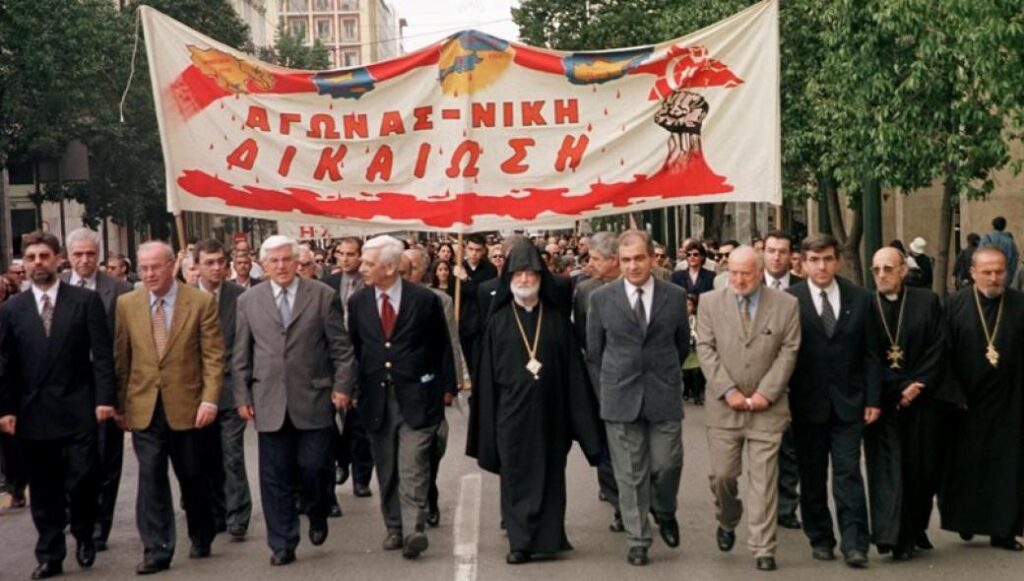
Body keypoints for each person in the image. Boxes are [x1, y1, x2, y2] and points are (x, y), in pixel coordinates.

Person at [469, 243, 604, 565]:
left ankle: (549, 538)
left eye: (531, 273)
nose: (526, 279)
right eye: (519, 273)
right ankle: (520, 542)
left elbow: (574, 374)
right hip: (510, 417)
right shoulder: (498, 322)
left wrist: (586, 425)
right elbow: (486, 381)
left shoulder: (557, 320)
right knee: (515, 476)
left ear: (541, 276)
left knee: (551, 476)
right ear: (510, 278)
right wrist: (484, 425)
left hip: (551, 415)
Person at [232, 235, 355, 566]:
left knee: (315, 468)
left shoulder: (322, 296)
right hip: (268, 399)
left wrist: (342, 387)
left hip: (313, 398)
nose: (282, 266)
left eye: (287, 259)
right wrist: (242, 394)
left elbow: (341, 349)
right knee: (274, 477)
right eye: (274, 261)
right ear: (264, 264)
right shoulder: (249, 301)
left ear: (298, 262)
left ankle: (317, 511)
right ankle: (282, 542)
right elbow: (241, 353)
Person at [0, 231, 116, 580]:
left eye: (44, 256)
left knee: (83, 479)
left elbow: (103, 356)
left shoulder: (83, 301)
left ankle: (83, 532)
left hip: (79, 406)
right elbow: (5, 364)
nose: (38, 263)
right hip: (34, 411)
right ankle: (50, 552)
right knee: (45, 487)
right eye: (32, 257)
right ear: (24, 262)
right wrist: (6, 409)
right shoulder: (12, 309)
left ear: (58, 259)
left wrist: (105, 399)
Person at [114, 240, 225, 574]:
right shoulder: (127, 304)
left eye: (155, 267)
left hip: (188, 406)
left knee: (192, 475)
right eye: (143, 267)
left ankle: (201, 530)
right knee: (150, 477)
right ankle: (157, 548)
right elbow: (122, 357)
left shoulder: (200, 302)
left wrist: (210, 398)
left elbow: (214, 356)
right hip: (144, 405)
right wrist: (120, 403)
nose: (149, 274)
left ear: (171, 266)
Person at [347, 235, 455, 559]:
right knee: (387, 466)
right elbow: (356, 349)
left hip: (418, 397)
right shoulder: (358, 302)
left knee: (413, 464)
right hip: (377, 399)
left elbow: (441, 346)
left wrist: (445, 388)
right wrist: (352, 390)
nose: (362, 268)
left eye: (368, 263)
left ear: (390, 267)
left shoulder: (424, 300)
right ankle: (394, 527)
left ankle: (413, 529)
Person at [586, 229, 689, 566]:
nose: (633, 266)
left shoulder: (674, 296)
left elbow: (681, 344)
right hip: (620, 394)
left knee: (667, 464)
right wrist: (616, 379)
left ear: (652, 258)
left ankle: (665, 510)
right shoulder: (600, 299)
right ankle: (638, 538)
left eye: (639, 258)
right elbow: (596, 350)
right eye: (626, 260)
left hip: (663, 393)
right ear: (619, 260)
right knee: (630, 473)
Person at [695, 246, 800, 571]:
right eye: (735, 273)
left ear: (759, 273)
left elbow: (789, 350)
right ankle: (727, 519)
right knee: (723, 476)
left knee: (765, 479)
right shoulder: (710, 303)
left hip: (768, 408)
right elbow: (705, 348)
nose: (739, 279)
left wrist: (766, 394)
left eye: (746, 273)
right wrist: (728, 391)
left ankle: (763, 547)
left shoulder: (786, 305)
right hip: (724, 409)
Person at [787, 234, 881, 568]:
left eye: (827, 258)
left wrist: (873, 398)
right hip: (805, 403)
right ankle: (821, 537)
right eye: (814, 260)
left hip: (849, 403)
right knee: (812, 475)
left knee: (848, 474)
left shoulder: (860, 297)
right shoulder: (788, 300)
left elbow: (871, 353)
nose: (822, 266)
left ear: (837, 260)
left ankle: (855, 543)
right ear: (802, 262)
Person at [863, 247, 949, 561]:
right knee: (888, 471)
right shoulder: (865, 305)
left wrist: (918, 384)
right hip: (884, 402)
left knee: (921, 470)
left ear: (903, 270)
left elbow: (940, 345)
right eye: (876, 270)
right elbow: (867, 355)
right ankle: (894, 537)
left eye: (888, 268)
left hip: (923, 400)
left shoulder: (926, 301)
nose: (882, 275)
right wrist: (898, 387)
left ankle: (916, 529)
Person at [940, 246, 1024, 551]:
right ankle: (967, 521)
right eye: (986, 272)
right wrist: (953, 394)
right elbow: (943, 354)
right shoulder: (954, 305)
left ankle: (1004, 530)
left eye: (999, 271)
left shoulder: (1019, 304)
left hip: (1009, 401)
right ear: (972, 273)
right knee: (966, 465)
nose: (993, 278)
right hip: (966, 402)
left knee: (1007, 467)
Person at [59, 228, 133, 553]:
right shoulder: (55, 288)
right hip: (65, 391)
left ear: (99, 256)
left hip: (106, 386)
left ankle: (101, 525)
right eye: (78, 255)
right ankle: (75, 517)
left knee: (106, 460)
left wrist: (120, 397)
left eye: (90, 254)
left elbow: (125, 346)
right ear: (68, 257)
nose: (85, 260)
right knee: (70, 460)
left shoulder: (119, 290)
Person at [192, 239, 251, 542]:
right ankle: (214, 512)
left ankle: (237, 514)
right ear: (197, 266)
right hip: (196, 394)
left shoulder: (241, 298)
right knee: (204, 456)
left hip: (230, 389)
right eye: (209, 262)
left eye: (220, 262)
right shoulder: (186, 299)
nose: (216, 268)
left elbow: (245, 348)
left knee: (231, 455)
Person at [401, 248, 464, 528]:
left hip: (430, 385)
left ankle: (429, 490)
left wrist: (452, 382)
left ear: (421, 271)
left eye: (409, 268)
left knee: (433, 444)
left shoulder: (439, 301)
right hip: (398, 387)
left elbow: (449, 342)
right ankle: (413, 506)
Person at [571, 232, 624, 532]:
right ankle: (619, 503)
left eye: (595, 259)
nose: (589, 264)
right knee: (604, 441)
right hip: (597, 378)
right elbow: (583, 334)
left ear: (613, 259)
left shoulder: (635, 287)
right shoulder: (585, 290)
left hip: (631, 379)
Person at [322, 237, 374, 499]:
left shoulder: (370, 285)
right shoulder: (328, 285)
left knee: (359, 423)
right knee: (332, 422)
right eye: (341, 254)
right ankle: (341, 461)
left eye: (351, 254)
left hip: (363, 358)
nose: (345, 259)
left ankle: (361, 477)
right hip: (333, 361)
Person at [761, 230, 804, 531]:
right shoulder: (748, 285)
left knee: (790, 449)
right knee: (762, 449)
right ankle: (763, 504)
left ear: (792, 256)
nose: (776, 256)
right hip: (757, 380)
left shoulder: (803, 290)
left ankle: (786, 506)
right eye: (771, 250)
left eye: (782, 251)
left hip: (797, 382)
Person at [681, 295, 705, 405]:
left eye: (690, 305)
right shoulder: (679, 320)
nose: (687, 308)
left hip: (695, 349)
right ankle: (686, 390)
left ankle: (697, 396)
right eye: (685, 305)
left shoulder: (697, 320)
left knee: (696, 373)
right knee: (686, 374)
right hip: (685, 350)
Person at [980, 216, 1019, 283]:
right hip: (1005, 277)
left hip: (987, 276)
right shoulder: (1010, 242)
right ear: (1004, 226)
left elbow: (979, 257)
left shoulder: (986, 239)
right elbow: (1014, 261)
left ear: (993, 225)